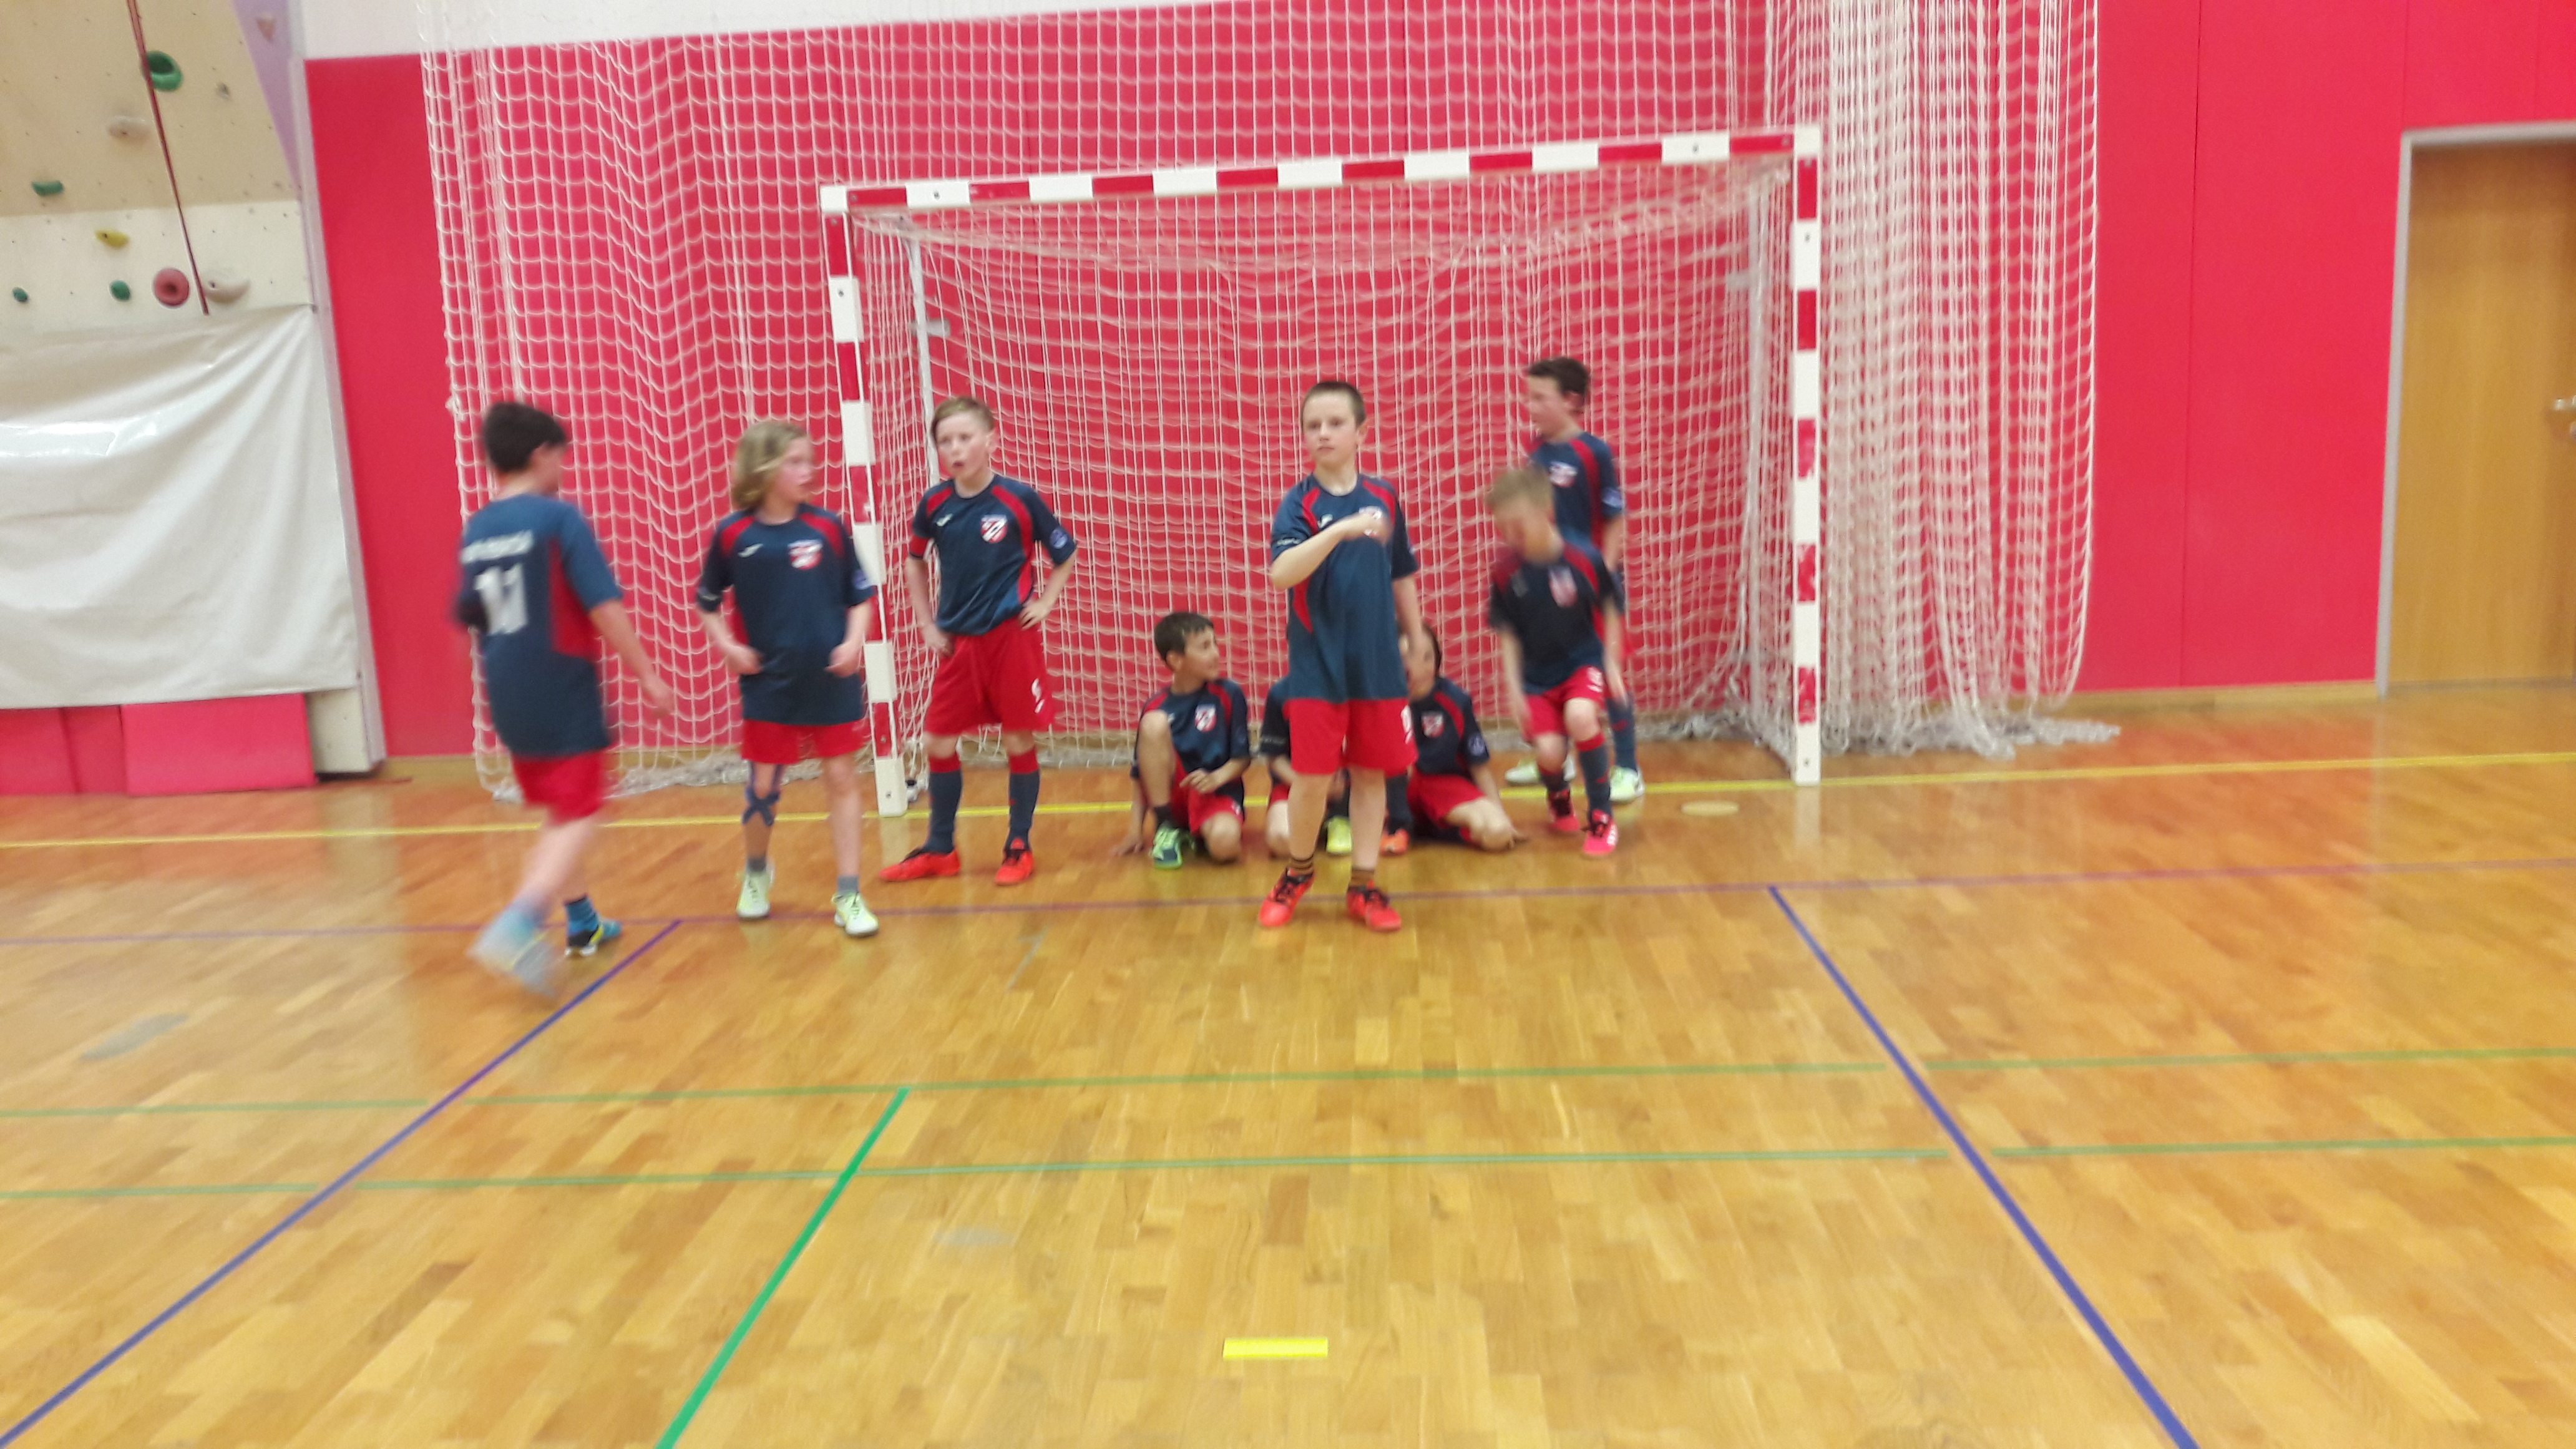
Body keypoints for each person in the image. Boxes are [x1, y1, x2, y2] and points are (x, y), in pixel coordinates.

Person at [454, 401, 676, 995]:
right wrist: (648, 675)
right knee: (580, 810)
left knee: (560, 807)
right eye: (561, 457)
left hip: (506, 686)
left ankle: (583, 921)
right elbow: (603, 606)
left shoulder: (477, 528)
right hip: (560, 681)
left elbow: (470, 613)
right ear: (540, 455)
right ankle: (519, 922)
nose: (564, 469)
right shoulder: (559, 520)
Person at [881, 396, 1080, 887]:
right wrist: (926, 624)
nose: (955, 449)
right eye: (945, 441)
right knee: (937, 741)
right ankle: (941, 848)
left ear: (992, 440)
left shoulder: (1019, 499)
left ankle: (1018, 845)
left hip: (1011, 639)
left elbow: (1065, 553)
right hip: (959, 644)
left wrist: (1046, 601)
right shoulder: (934, 504)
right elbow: (914, 561)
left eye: (965, 438)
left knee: (1017, 739)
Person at [693, 421, 879, 937]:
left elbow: (860, 596)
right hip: (768, 682)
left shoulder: (828, 527)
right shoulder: (733, 534)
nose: (808, 470)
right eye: (795, 462)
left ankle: (849, 893)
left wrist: (854, 643)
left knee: (840, 778)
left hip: (830, 679)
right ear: (765, 468)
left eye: (809, 460)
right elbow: (707, 601)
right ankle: (756, 873)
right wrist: (727, 646)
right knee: (763, 787)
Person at [1261, 380, 1429, 931]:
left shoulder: (1385, 496)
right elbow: (1282, 573)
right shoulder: (1299, 504)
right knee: (1312, 776)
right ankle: (1298, 873)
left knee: (1371, 775)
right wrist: (1340, 532)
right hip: (1318, 664)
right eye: (1313, 425)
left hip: (1377, 663)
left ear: (1361, 432)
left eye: (1335, 423)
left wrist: (1416, 639)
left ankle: (1365, 884)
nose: (1323, 434)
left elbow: (1401, 574)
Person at [1508, 357, 1644, 803]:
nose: (1530, 406)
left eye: (1540, 398)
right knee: (1550, 671)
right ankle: (1556, 758)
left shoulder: (1594, 453)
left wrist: (1601, 577)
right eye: (1529, 397)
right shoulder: (1536, 453)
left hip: (1590, 586)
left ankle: (1628, 768)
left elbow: (1615, 518)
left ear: (1570, 401)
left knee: (1607, 670)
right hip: (1548, 587)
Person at [1486, 463, 1624, 857]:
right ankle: (1558, 794)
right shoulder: (1506, 572)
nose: (1510, 535)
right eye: (1503, 528)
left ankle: (1602, 816)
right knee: (1549, 754)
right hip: (1537, 678)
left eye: (1518, 525)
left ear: (1546, 511)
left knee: (1581, 718)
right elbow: (1508, 637)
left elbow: (1611, 606)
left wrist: (1612, 664)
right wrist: (1514, 692)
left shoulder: (1583, 557)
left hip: (1582, 664)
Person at [1112, 611, 1250, 868]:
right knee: (1153, 723)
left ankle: (1198, 834)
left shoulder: (1229, 694)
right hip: (1173, 797)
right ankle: (1167, 827)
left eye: (1215, 644)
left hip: (1215, 795)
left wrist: (1216, 778)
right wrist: (1135, 830)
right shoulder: (1156, 706)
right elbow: (1140, 774)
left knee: (1226, 846)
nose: (1216, 653)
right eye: (1205, 647)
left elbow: (1242, 759)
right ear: (1176, 660)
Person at [1257, 678, 1410, 860]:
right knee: (1281, 839)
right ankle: (1323, 824)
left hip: (1350, 788)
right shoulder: (1282, 693)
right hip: (1298, 786)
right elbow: (1274, 757)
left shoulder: (1362, 691)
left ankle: (1340, 820)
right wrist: (1313, 787)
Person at [1403, 630, 1518, 852]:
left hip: (1444, 787)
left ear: (1437, 661)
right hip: (1398, 792)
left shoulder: (1455, 701)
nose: (1418, 668)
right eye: (1406, 659)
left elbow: (1479, 766)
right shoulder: (1380, 702)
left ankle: (1434, 829)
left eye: (1427, 657)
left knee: (1498, 832)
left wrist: (1500, 813)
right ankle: (1403, 827)